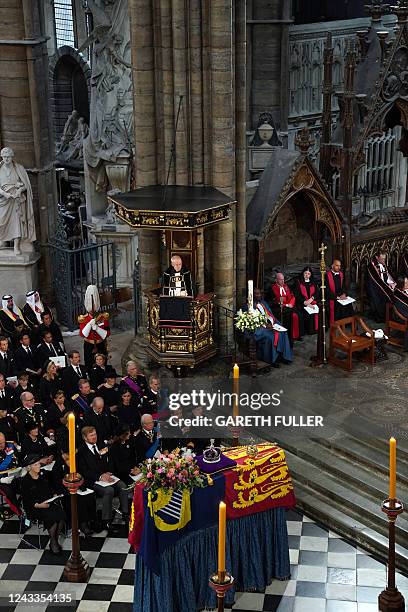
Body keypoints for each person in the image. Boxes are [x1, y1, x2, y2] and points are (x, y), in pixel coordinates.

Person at [77, 426, 129, 533]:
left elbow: (110, 460)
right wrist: (100, 477)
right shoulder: (81, 451)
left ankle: (125, 514)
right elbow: (84, 471)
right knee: (109, 490)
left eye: (95, 434)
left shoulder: (101, 445)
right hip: (93, 480)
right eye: (91, 435)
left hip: (107, 475)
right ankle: (106, 520)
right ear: (85, 438)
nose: (94, 437)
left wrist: (108, 472)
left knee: (123, 486)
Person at [20, 454, 65, 554]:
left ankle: (54, 539)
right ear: (29, 467)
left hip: (48, 502)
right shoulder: (25, 481)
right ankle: (53, 543)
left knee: (61, 515)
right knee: (52, 518)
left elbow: (51, 487)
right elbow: (27, 501)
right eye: (35, 465)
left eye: (38, 464)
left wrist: (54, 493)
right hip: (35, 507)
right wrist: (39, 505)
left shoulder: (43, 474)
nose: (38, 466)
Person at [50, 449, 96, 536]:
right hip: (66, 493)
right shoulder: (58, 465)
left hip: (78, 489)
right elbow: (57, 482)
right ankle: (82, 524)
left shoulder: (77, 462)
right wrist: (68, 489)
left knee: (89, 497)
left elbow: (82, 476)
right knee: (78, 501)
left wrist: (80, 486)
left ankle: (90, 521)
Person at [0, 146, 36, 255]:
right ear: (1, 156)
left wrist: (20, 190)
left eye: (8, 157)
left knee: (17, 223)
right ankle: (3, 241)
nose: (6, 159)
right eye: (4, 156)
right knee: (1, 221)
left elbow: (26, 185)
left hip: (16, 200)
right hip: (3, 200)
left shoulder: (18, 168)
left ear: (12, 157)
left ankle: (16, 246)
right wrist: (4, 193)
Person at [252, 287, 293, 366]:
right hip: (260, 328)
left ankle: (283, 356)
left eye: (259, 293)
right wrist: (265, 325)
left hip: (270, 324)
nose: (258, 295)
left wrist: (273, 323)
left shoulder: (263, 302)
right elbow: (253, 321)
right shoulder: (250, 306)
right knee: (272, 336)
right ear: (252, 295)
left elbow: (270, 314)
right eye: (256, 294)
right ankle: (273, 359)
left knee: (283, 332)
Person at [78, 285, 110, 369]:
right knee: (89, 365)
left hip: (100, 344)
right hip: (89, 345)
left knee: (103, 366)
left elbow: (107, 333)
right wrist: (89, 324)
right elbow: (82, 334)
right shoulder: (83, 319)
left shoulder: (103, 317)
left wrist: (97, 328)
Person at [270, 272, 303, 343]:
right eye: (280, 280)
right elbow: (273, 301)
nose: (283, 281)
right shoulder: (272, 288)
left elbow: (292, 296)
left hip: (289, 306)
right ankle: (289, 336)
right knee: (289, 316)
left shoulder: (286, 286)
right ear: (276, 280)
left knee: (299, 314)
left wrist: (291, 304)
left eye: (283, 279)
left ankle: (297, 335)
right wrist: (284, 305)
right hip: (280, 308)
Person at [367, 252, 396, 321]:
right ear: (377, 257)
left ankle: (395, 314)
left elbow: (387, 275)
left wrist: (392, 283)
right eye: (382, 259)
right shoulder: (372, 266)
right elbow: (376, 280)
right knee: (385, 295)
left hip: (384, 284)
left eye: (384, 259)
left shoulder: (383, 263)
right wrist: (387, 287)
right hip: (375, 286)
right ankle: (384, 316)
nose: (384, 261)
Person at [326, 259, 354, 324]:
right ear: (332, 266)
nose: (339, 267)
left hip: (341, 295)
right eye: (337, 265)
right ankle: (339, 324)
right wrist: (337, 297)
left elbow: (344, 286)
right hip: (332, 296)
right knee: (338, 305)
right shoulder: (327, 276)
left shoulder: (341, 274)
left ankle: (348, 323)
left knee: (348, 304)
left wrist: (344, 294)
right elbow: (326, 290)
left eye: (340, 266)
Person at [0, 433, 21, 515]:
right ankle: (19, 513)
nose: (2, 445)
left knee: (28, 484)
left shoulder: (10, 445)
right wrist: (1, 480)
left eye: (3, 442)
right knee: (9, 493)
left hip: (16, 474)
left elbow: (19, 458)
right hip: (2, 479)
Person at [295, 266, 319, 335]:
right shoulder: (298, 282)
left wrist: (312, 299)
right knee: (307, 313)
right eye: (305, 273)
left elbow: (317, 292)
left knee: (318, 310)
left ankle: (316, 329)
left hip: (312, 301)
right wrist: (305, 302)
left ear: (310, 274)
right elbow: (297, 295)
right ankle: (310, 331)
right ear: (303, 273)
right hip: (302, 303)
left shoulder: (313, 282)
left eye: (308, 274)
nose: (307, 275)